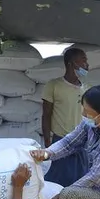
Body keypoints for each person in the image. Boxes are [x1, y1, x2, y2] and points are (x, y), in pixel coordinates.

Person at [41, 47, 90, 187]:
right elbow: (46, 115)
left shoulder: (85, 88)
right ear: (71, 63)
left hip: (81, 142)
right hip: (61, 141)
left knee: (80, 182)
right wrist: (47, 142)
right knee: (59, 182)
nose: (87, 65)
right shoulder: (54, 85)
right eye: (83, 60)